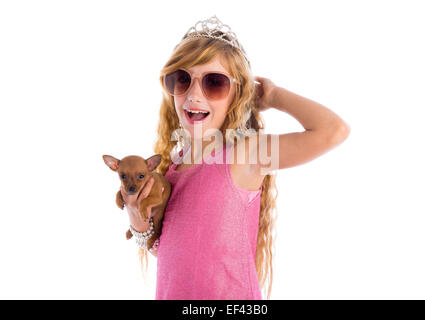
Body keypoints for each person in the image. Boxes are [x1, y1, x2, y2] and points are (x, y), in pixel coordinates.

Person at [120, 15, 350, 300]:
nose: (194, 95)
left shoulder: (245, 154)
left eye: (214, 83)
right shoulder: (172, 165)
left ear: (236, 93)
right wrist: (137, 217)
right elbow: (171, 253)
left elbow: (333, 130)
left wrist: (274, 96)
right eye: (182, 80)